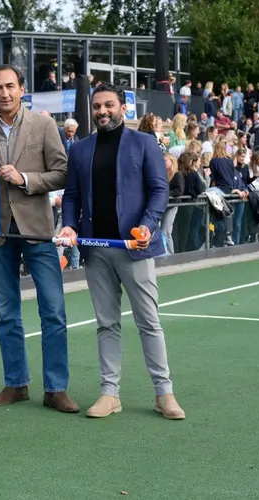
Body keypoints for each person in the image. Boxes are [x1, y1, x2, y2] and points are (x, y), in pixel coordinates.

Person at [58, 82, 186, 420]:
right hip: (95, 250)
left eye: (108, 105)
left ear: (123, 108)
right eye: (97, 106)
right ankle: (109, 393)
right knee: (106, 324)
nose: (102, 111)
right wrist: (69, 225)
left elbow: (159, 191)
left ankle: (164, 393)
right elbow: (71, 195)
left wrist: (148, 226)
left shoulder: (144, 144)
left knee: (149, 322)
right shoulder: (80, 149)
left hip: (135, 248)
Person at [0, 64, 77, 413]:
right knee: (6, 314)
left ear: (22, 88)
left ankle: (56, 388)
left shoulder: (44, 125)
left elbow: (62, 173)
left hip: (37, 230)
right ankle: (16, 383)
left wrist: (25, 179)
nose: (4, 93)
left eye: (10, 86)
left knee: (54, 312)